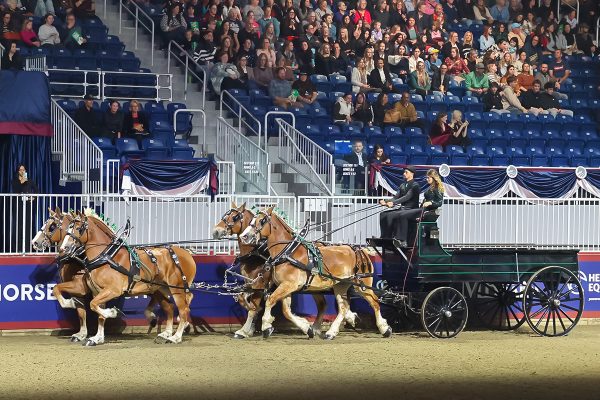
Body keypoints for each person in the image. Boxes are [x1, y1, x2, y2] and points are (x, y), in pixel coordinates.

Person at [391, 168, 444, 246]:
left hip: (427, 211)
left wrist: (430, 202)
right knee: (401, 214)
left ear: (433, 178)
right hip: (422, 209)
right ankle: (398, 238)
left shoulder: (437, 188)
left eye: (428, 178)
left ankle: (403, 240)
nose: (427, 179)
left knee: (403, 216)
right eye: (427, 177)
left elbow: (439, 202)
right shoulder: (430, 188)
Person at [378, 165, 421, 245]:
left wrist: (393, 203)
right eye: (404, 172)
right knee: (383, 214)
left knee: (391, 215)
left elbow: (407, 197)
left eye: (406, 172)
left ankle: (401, 239)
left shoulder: (415, 185)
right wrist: (386, 201)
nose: (404, 173)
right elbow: (396, 197)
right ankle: (385, 237)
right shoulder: (402, 185)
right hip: (403, 209)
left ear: (412, 174)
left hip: (411, 209)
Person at [12, 164, 38, 252]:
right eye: (20, 170)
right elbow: (16, 190)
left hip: (27, 206)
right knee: (19, 227)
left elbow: (37, 190)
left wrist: (33, 197)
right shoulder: (15, 181)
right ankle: (19, 249)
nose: (22, 171)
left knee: (27, 227)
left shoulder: (29, 180)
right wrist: (22, 182)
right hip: (18, 206)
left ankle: (27, 249)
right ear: (18, 171)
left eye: (24, 170)